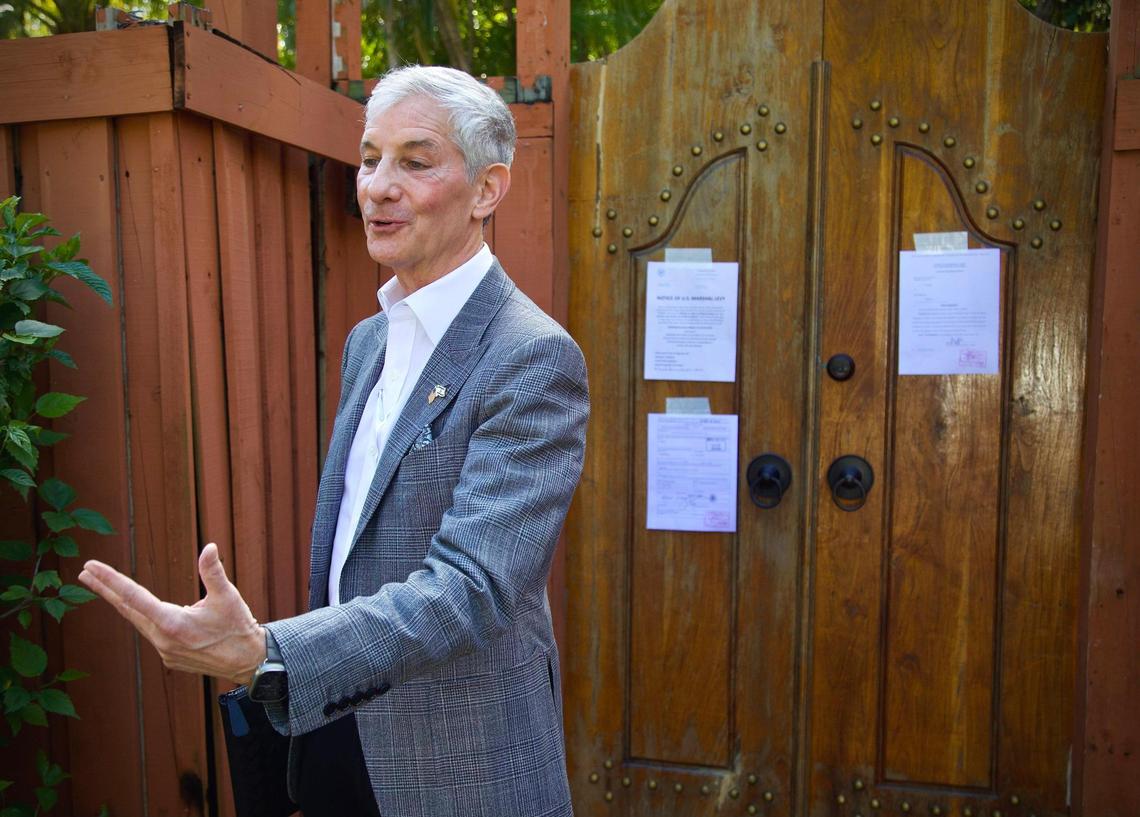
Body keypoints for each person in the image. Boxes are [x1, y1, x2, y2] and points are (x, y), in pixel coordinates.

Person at [78, 64, 589, 817]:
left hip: (459, 762)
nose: (379, 185)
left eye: (415, 161)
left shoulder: (531, 356)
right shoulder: (369, 342)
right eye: (370, 156)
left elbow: (472, 587)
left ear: (487, 189)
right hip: (334, 732)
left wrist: (268, 654)